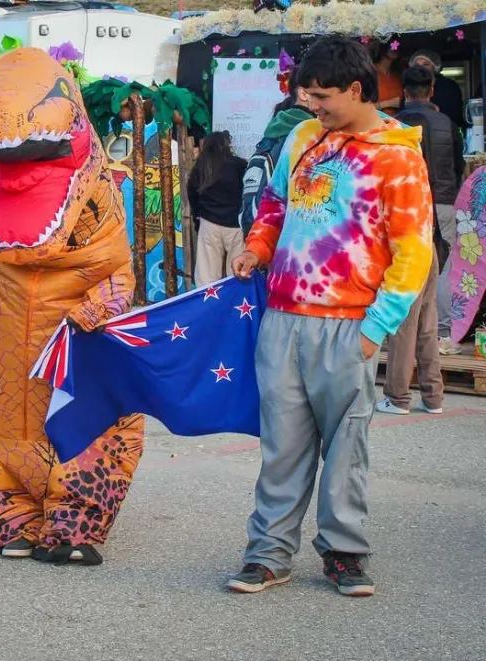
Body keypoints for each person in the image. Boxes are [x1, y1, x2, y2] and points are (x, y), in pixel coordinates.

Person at [228, 36, 433, 597]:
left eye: (322, 97)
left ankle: (344, 552)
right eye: (308, 96)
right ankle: (268, 554)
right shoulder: (301, 136)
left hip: (351, 323)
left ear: (357, 89)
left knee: (348, 447)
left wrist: (376, 329)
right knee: (282, 446)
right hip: (283, 315)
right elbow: (273, 205)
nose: (313, 107)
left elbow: (414, 250)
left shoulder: (397, 154)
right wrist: (257, 248)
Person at [396, 66, 467, 356]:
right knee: (443, 266)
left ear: (404, 92)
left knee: (401, 263)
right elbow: (458, 164)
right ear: (432, 90)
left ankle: (400, 333)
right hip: (443, 200)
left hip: (404, 203)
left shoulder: (393, 124)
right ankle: (443, 335)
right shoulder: (446, 123)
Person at [239, 76, 315, 237]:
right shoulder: (306, 137)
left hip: (266, 241)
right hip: (292, 241)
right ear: (304, 94)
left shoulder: (270, 137)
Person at [188, 131, 247, 285]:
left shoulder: (202, 165)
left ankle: (207, 307)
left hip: (209, 223)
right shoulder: (240, 165)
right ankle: (235, 306)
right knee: (237, 274)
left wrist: (197, 216)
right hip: (236, 225)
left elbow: (191, 192)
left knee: (206, 276)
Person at [409, 49, 468, 130]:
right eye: (417, 65)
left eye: (426, 64)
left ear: (435, 67)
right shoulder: (410, 86)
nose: (420, 68)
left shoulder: (449, 86)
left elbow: (454, 117)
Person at [372, 41, 403, 114]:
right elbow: (360, 108)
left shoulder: (397, 75)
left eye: (398, 46)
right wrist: (388, 103)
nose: (395, 48)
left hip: (397, 122)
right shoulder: (370, 72)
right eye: (392, 45)